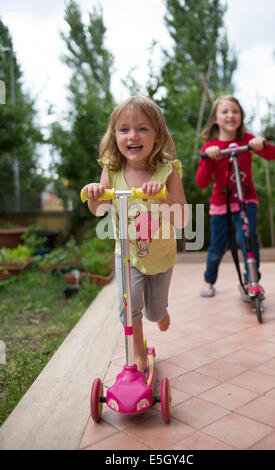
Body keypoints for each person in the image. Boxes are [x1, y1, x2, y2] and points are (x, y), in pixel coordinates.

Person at [82, 96, 188, 373]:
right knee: (128, 307)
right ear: (114, 135)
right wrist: (95, 192)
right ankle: (138, 351)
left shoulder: (167, 172)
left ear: (157, 136)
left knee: (153, 311)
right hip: (127, 254)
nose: (133, 135)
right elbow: (98, 209)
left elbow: (183, 219)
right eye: (124, 129)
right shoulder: (112, 169)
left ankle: (161, 310)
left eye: (142, 128)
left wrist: (163, 197)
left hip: (161, 256)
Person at [196, 95, 275, 298]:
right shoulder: (210, 146)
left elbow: (273, 154)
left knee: (248, 237)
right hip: (221, 203)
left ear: (241, 116)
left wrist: (262, 144)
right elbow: (202, 182)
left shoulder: (247, 140)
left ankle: (252, 280)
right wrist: (208, 157)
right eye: (224, 111)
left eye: (235, 111)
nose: (230, 115)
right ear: (215, 118)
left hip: (245, 199)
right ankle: (209, 279)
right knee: (218, 245)